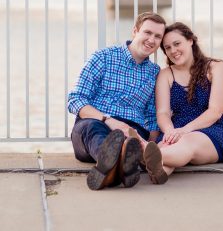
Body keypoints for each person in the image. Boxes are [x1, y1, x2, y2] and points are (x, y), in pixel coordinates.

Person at [67, 12, 166, 191]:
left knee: (130, 141)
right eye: (147, 33)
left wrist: (150, 146)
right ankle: (118, 164)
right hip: (95, 123)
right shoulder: (103, 57)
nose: (152, 40)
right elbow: (76, 99)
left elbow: (152, 116)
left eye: (157, 36)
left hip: (133, 131)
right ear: (135, 31)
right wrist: (109, 120)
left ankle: (111, 169)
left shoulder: (154, 72)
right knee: (94, 130)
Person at [137, 22, 223, 183]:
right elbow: (163, 113)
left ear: (190, 40)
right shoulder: (165, 74)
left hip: (212, 131)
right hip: (175, 131)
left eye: (177, 44)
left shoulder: (216, 68)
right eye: (167, 48)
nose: (173, 51)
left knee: (186, 142)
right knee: (166, 147)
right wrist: (169, 131)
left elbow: (215, 111)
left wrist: (184, 131)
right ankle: (158, 172)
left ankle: (140, 156)